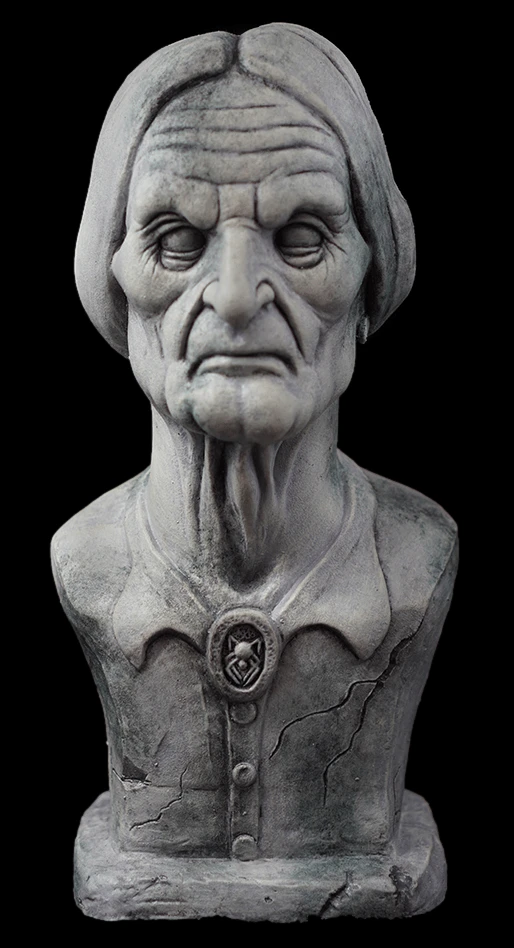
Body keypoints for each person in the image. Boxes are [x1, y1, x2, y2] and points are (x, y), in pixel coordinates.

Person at [52, 24, 457, 920]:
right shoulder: (86, 559)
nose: (236, 296)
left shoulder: (419, 551)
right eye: (176, 240)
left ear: (371, 279)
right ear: (111, 281)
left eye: (302, 236)